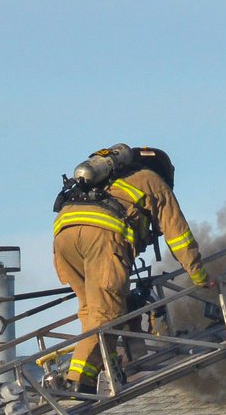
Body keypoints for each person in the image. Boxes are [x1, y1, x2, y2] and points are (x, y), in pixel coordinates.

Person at [52, 144, 211, 393]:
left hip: (63, 233)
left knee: (92, 310)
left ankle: (106, 363)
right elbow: (178, 236)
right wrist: (199, 275)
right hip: (101, 236)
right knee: (107, 315)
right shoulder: (152, 181)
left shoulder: (105, 181)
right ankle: (78, 381)